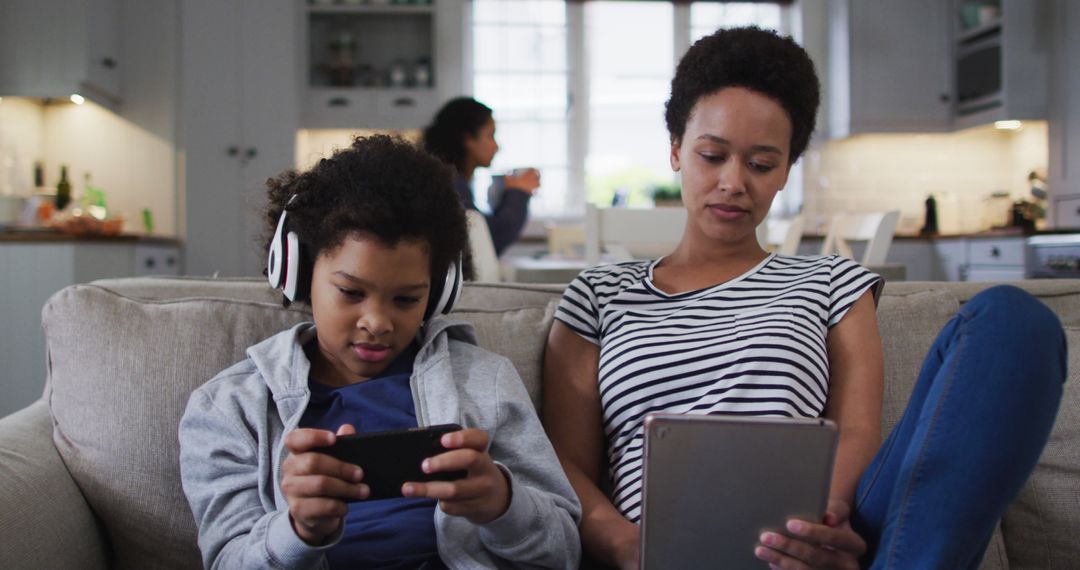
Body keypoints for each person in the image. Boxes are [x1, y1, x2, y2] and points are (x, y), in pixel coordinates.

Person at [542, 26, 1066, 570]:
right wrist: (625, 544)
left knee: (1012, 321)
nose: (733, 182)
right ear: (676, 151)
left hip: (812, 534)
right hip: (663, 550)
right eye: (711, 155)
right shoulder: (600, 295)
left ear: (786, 170)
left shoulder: (832, 282)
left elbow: (856, 430)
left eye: (761, 164)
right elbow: (561, 464)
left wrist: (824, 526)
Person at [179, 135, 580, 569]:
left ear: (440, 291)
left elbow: (564, 551)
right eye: (351, 292)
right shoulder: (229, 407)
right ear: (298, 272)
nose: (378, 322)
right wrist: (298, 531)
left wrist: (504, 504)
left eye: (406, 299)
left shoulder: (485, 382)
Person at [423, 97, 540, 256]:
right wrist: (518, 193)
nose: (496, 146)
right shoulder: (449, 185)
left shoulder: (446, 179)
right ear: (468, 139)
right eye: (490, 135)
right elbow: (488, 242)